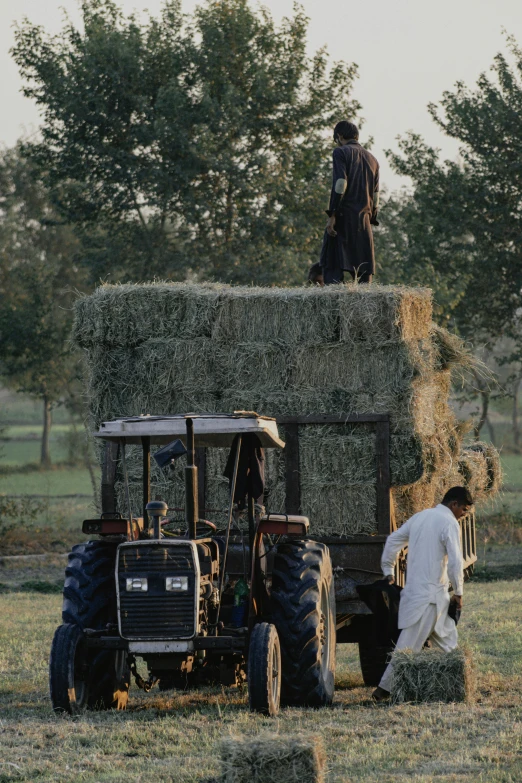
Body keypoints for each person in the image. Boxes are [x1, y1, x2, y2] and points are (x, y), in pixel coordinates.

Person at [372, 486, 472, 702]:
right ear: (454, 504)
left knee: (448, 640)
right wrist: (460, 592)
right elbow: (456, 561)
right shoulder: (449, 523)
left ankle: (462, 684)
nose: (463, 514)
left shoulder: (420, 517)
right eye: (463, 509)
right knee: (408, 646)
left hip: (429, 595)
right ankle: (383, 689)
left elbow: (393, 541)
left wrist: (389, 570)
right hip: (428, 598)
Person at [319, 120, 380, 285]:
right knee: (363, 272)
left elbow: (341, 183)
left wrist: (332, 214)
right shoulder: (373, 160)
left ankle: (333, 307)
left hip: (343, 217)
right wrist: (372, 217)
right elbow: (376, 195)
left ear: (339, 136)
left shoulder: (340, 152)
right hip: (364, 221)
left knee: (331, 264)